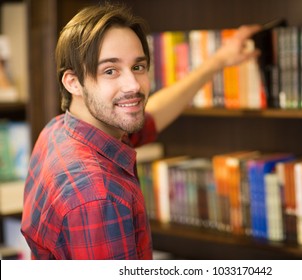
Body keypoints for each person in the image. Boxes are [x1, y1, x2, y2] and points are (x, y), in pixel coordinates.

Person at [21, 3, 261, 259]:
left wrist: (219, 61)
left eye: (138, 67)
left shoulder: (61, 130)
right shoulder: (98, 196)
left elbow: (153, 115)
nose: (133, 85)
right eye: (110, 71)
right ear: (73, 82)